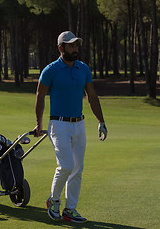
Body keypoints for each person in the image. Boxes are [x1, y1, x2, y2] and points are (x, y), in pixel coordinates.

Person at [33, 31, 107, 223]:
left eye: (76, 45)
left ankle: (70, 209)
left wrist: (101, 121)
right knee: (66, 166)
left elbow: (91, 96)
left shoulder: (83, 68)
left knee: (78, 169)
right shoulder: (50, 70)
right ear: (61, 48)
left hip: (79, 124)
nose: (75, 48)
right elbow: (40, 96)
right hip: (58, 125)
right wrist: (39, 124)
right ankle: (54, 200)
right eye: (71, 45)